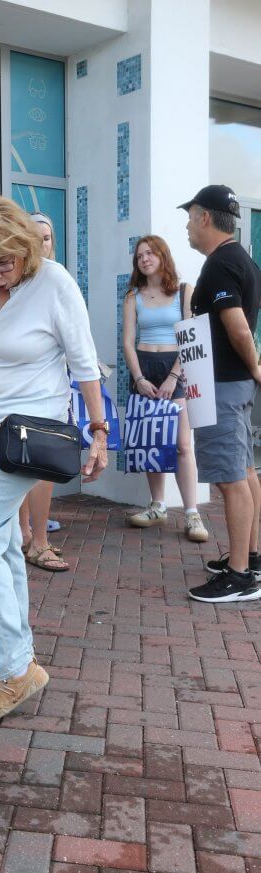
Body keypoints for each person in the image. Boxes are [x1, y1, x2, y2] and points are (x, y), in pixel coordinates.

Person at [0, 195, 107, 720]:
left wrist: (99, 431)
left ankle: (17, 668)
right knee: (2, 542)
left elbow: (84, 362)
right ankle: (8, 648)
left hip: (25, 431)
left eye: (3, 262)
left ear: (24, 250)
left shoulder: (53, 282)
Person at [178, 185, 261, 603]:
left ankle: (241, 577)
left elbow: (238, 326)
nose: (187, 225)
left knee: (231, 480)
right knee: (244, 470)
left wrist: (256, 367)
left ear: (205, 217)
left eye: (190, 216)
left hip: (224, 385)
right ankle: (252, 556)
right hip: (231, 383)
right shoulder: (240, 258)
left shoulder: (220, 264)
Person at [123, 236, 208, 542]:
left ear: (162, 255)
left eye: (150, 253)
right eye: (139, 255)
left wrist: (174, 376)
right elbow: (128, 343)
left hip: (176, 369)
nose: (144, 259)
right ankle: (157, 505)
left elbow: (190, 337)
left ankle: (191, 513)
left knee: (183, 445)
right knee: (151, 442)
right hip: (144, 369)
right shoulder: (133, 296)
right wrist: (139, 378)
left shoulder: (185, 291)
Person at [18, 212, 69, 572]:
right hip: (16, 392)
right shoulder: (11, 282)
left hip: (50, 391)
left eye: (47, 237)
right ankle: (24, 536)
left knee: (44, 467)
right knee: (17, 465)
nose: (41, 243)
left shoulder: (59, 281)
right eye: (34, 236)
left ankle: (39, 539)